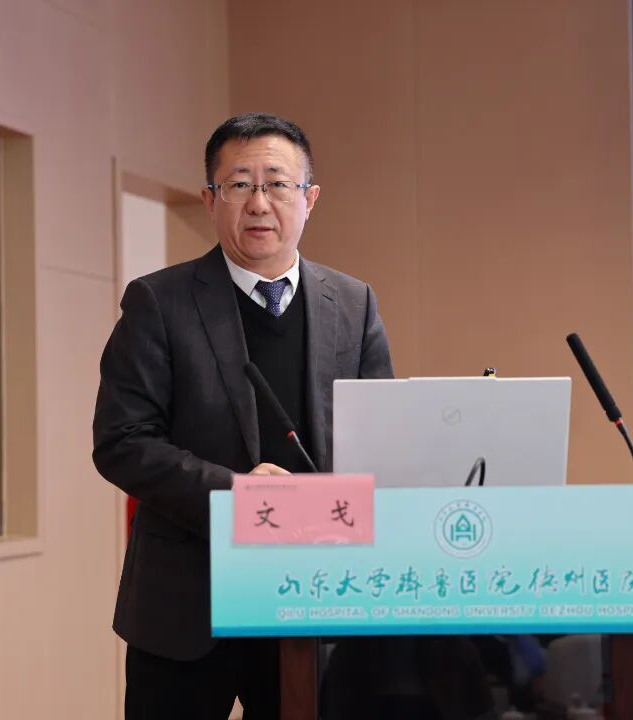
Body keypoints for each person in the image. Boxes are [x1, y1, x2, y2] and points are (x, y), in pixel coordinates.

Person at [92, 112, 394, 719]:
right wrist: (241, 498)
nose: (259, 203)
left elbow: (380, 436)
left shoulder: (352, 302)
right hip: (187, 600)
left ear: (309, 199)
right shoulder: (159, 301)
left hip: (314, 595)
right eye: (239, 184)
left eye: (277, 184)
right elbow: (122, 441)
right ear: (211, 199)